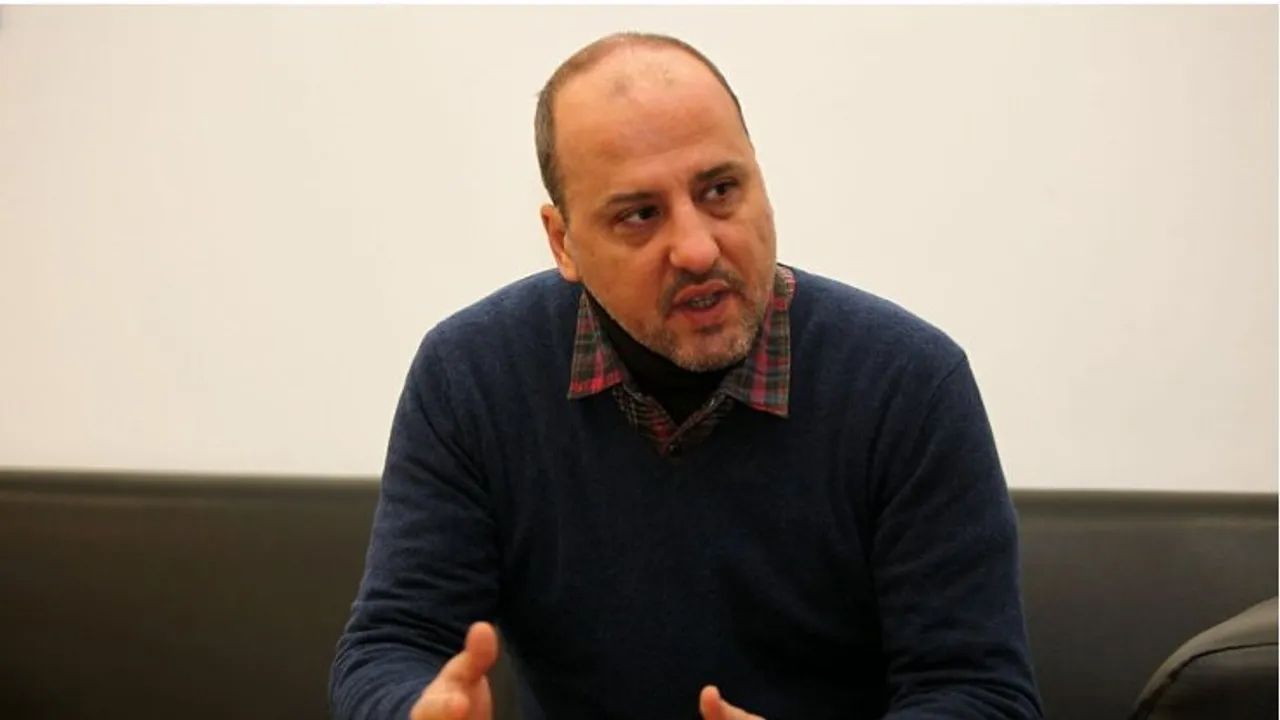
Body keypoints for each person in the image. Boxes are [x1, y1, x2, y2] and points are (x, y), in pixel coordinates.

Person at [330, 32, 1043, 720]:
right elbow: (393, 644)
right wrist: (416, 709)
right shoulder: (474, 378)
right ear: (563, 241)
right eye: (640, 215)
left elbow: (979, 694)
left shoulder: (907, 386)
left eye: (721, 190)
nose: (698, 250)